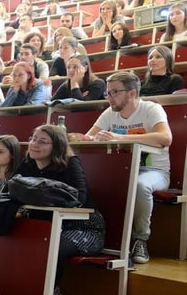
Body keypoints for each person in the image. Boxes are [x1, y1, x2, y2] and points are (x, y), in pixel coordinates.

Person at [74, 71, 173, 264]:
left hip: (154, 172)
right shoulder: (110, 112)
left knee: (140, 186)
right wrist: (86, 138)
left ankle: (140, 239)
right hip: (121, 172)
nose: (109, 97)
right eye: (108, 93)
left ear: (132, 93)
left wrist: (120, 137)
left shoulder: (151, 109)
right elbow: (88, 138)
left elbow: (165, 138)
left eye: (115, 92)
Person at [15, 124, 105, 295]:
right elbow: (12, 189)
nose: (34, 144)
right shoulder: (28, 162)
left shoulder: (70, 163)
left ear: (56, 147)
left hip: (82, 227)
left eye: (42, 141)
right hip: (47, 225)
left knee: (52, 247)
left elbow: (80, 199)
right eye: (33, 139)